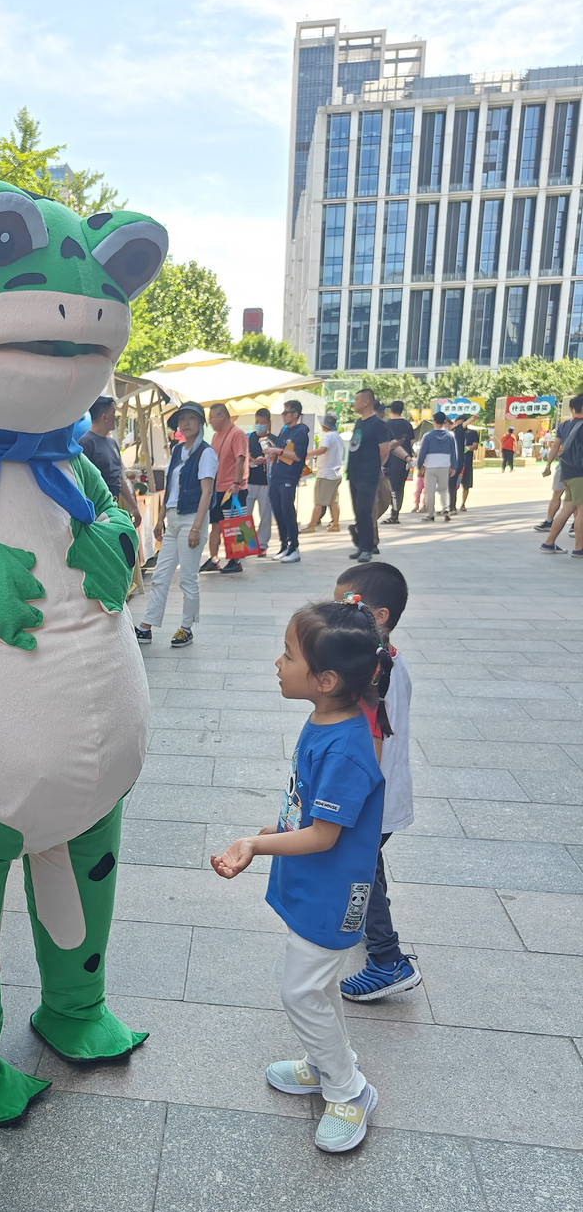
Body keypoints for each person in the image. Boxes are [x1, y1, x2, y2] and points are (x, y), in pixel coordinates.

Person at [210, 600, 391, 1153]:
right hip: (314, 884)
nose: (277, 663)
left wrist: (255, 843)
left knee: (299, 991)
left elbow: (325, 835)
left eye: (289, 655)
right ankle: (325, 1062)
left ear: (327, 678)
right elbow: (308, 814)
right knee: (313, 987)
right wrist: (267, 831)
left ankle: (349, 1090)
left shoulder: (346, 748)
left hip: (333, 892)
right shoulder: (325, 721)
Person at [334, 563, 421, 1001]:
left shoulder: (375, 671)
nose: (338, 613)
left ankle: (388, 961)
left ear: (379, 615)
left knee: (358, 874)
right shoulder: (387, 658)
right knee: (368, 866)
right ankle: (377, 935)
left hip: (370, 798)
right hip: (381, 797)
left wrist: (347, 800)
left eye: (347, 604)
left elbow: (370, 743)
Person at [135, 402, 217, 646]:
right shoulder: (178, 451)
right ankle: (147, 625)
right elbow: (170, 488)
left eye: (192, 418)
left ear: (200, 422)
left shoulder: (206, 453)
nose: (186, 423)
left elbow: (207, 492)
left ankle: (186, 627)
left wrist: (196, 527)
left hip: (192, 518)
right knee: (160, 575)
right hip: (172, 518)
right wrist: (160, 519)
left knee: (188, 577)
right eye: (183, 419)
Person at [79, 395, 142, 526]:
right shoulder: (86, 443)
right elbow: (82, 481)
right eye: (113, 413)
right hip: (98, 508)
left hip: (115, 503)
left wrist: (134, 506)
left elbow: (119, 477)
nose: (116, 417)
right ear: (104, 417)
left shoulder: (112, 443)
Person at [346, 388, 392, 563]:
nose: (354, 403)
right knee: (358, 511)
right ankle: (361, 546)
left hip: (368, 474)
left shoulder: (378, 424)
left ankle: (367, 548)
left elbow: (384, 450)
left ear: (366, 402)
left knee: (365, 511)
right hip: (355, 474)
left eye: (356, 400)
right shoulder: (359, 423)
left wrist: (376, 466)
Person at [202, 403, 249, 575]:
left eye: (211, 417)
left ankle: (235, 560)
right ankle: (214, 559)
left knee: (234, 525)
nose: (210, 422)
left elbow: (240, 458)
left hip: (232, 487)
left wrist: (237, 483)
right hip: (217, 487)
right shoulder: (216, 436)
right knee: (215, 525)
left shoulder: (237, 434)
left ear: (222, 415)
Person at [264, 399, 308, 562]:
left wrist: (278, 450)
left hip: (288, 477)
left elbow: (297, 456)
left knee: (287, 510)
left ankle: (294, 546)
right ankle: (284, 545)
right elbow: (281, 450)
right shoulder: (285, 431)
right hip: (276, 476)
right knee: (278, 511)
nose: (283, 416)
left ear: (295, 414)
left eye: (286, 412)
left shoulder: (300, 433)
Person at [539, 399, 583, 557]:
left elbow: (556, 446)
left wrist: (548, 465)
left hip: (567, 472)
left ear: (572, 408)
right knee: (582, 510)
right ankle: (579, 548)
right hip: (580, 473)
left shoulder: (564, 426)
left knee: (567, 509)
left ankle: (549, 542)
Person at [301, 414, 345, 533]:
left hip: (326, 473)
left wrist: (308, 453)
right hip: (336, 473)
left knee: (319, 501)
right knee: (334, 501)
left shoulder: (327, 437)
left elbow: (323, 450)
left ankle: (311, 525)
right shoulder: (337, 437)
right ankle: (335, 524)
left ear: (324, 425)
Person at [416, 412, 457, 522]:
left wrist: (419, 466)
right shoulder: (450, 436)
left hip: (431, 466)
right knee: (444, 489)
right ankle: (446, 509)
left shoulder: (427, 436)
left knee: (430, 491)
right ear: (444, 422)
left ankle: (430, 514)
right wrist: (453, 466)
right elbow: (454, 453)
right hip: (444, 465)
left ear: (433, 422)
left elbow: (422, 453)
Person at [245, 408, 276, 552]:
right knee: (245, 515)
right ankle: (246, 544)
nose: (259, 425)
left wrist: (268, 459)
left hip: (266, 483)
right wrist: (252, 460)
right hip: (249, 482)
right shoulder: (248, 437)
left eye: (262, 423)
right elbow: (243, 456)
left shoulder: (273, 440)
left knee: (265, 515)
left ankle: (262, 544)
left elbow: (278, 458)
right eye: (257, 422)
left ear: (269, 423)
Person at [382, 401, 414, 524]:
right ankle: (396, 512)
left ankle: (394, 514)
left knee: (391, 487)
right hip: (406, 460)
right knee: (400, 487)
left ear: (391, 410)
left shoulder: (386, 424)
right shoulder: (407, 424)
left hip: (391, 460)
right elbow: (411, 442)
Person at [449, 414, 480, 513]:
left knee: (465, 484)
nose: (456, 424)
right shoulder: (452, 433)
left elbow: (475, 446)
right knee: (452, 484)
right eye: (455, 422)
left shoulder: (471, 433)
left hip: (466, 461)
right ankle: (451, 505)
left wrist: (472, 418)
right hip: (455, 462)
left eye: (459, 423)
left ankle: (462, 504)